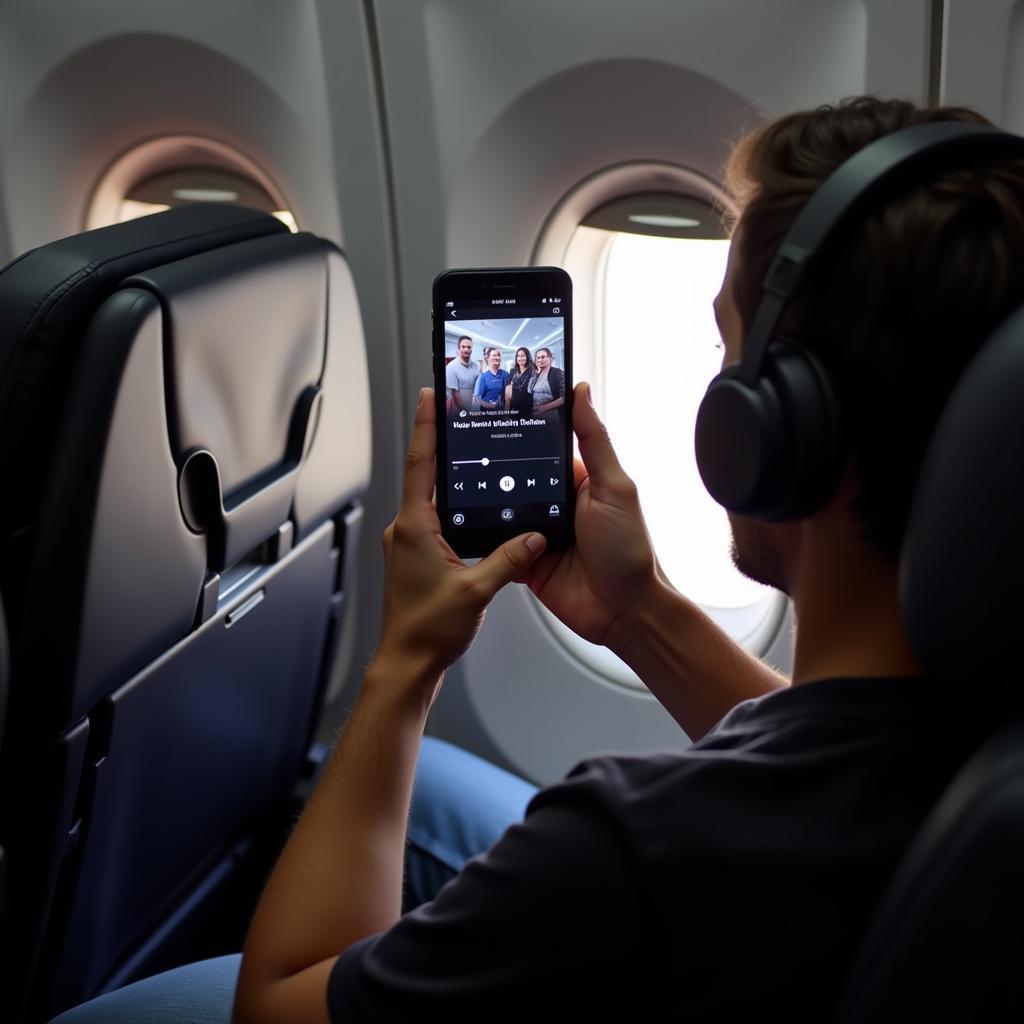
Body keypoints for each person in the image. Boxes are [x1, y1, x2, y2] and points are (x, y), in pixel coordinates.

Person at [49, 97, 1024, 1024]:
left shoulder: (630, 847)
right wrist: (636, 610)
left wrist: (405, 660)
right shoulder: (977, 711)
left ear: (779, 429)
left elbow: (279, 1004)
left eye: (732, 352)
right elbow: (832, 766)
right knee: (418, 782)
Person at [527, 346, 565, 421]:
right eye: (538, 358)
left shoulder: (558, 373)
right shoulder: (536, 375)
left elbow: (564, 397)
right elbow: (529, 390)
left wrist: (543, 408)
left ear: (550, 358)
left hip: (551, 414)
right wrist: (535, 373)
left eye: (543, 357)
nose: (540, 360)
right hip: (536, 414)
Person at [444, 334, 479, 414]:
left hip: (474, 407)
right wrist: (464, 412)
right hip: (458, 409)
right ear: (459, 348)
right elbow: (454, 393)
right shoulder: (451, 367)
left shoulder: (476, 365)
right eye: (463, 347)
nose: (466, 349)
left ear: (471, 350)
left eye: (469, 347)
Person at [472, 346, 510, 410]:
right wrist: (489, 406)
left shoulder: (505, 374)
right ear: (488, 358)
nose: (497, 357)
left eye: (498, 355)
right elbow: (476, 397)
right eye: (494, 355)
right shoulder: (483, 377)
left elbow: (509, 394)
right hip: (487, 415)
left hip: (502, 414)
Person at [505, 344, 535, 414]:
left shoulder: (533, 372)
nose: (520, 358)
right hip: (514, 410)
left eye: (523, 356)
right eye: (518, 356)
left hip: (529, 410)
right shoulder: (513, 371)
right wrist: (506, 412)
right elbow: (507, 394)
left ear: (528, 357)